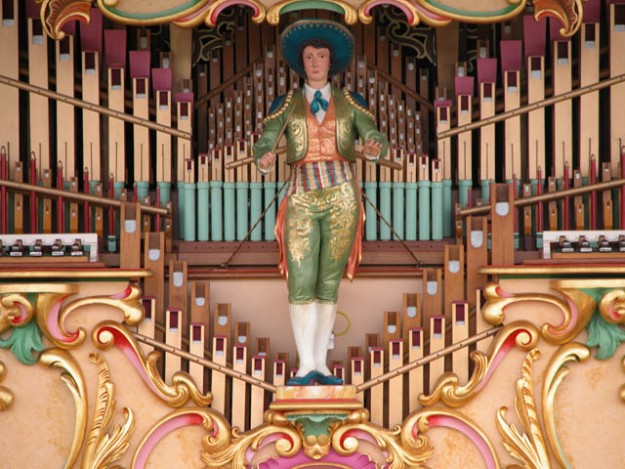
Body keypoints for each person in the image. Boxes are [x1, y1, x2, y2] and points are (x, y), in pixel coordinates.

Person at [253, 19, 389, 385]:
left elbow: (374, 135)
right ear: (302, 63)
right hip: (301, 194)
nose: (315, 62)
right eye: (310, 56)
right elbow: (266, 140)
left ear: (331, 62)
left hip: (342, 194)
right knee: (301, 278)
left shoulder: (350, 102)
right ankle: (305, 364)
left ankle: (321, 365)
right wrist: (264, 158)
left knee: (328, 280)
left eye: (321, 56)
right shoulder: (286, 104)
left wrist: (373, 148)